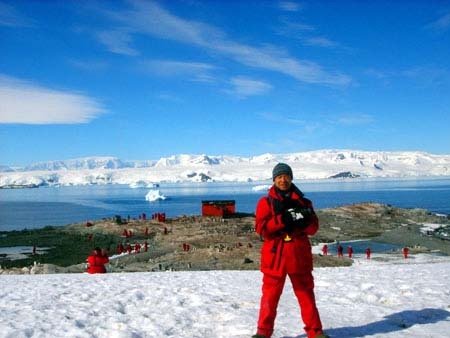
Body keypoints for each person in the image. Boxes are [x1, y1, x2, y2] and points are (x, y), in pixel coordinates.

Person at [253, 163, 328, 338]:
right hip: (275, 257)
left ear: (291, 178)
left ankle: (315, 332)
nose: (283, 180)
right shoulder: (265, 203)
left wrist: (304, 221)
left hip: (298, 256)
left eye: (286, 176)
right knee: (269, 298)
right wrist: (284, 219)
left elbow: (313, 229)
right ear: (274, 180)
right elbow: (261, 229)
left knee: (306, 296)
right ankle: (263, 333)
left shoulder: (304, 202)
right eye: (279, 177)